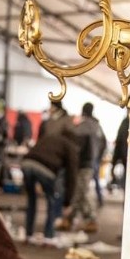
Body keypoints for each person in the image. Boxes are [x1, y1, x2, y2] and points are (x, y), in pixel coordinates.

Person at [20, 101, 79, 243]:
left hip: (27, 162)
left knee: (32, 200)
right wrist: (67, 202)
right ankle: (48, 236)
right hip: (45, 167)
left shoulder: (50, 135)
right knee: (52, 200)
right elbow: (71, 175)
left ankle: (28, 235)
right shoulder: (70, 146)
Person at [60, 101, 106, 233]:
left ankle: (87, 219)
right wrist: (97, 159)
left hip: (82, 163)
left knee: (81, 191)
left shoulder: (82, 127)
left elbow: (75, 147)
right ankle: (73, 218)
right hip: (92, 163)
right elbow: (103, 146)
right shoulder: (98, 127)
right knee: (81, 190)